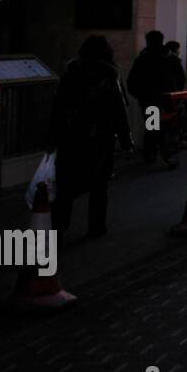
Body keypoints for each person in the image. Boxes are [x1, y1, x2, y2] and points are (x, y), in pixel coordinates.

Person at [47, 35, 134, 237]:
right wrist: (126, 140)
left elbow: (59, 108)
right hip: (100, 137)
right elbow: (119, 110)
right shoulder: (110, 75)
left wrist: (52, 138)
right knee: (99, 186)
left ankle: (59, 226)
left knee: (66, 185)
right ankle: (96, 226)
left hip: (72, 136)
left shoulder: (71, 73)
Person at [126, 30, 179, 169]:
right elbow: (180, 77)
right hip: (168, 99)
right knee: (167, 128)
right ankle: (168, 155)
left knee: (152, 127)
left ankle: (151, 154)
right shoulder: (169, 57)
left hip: (149, 99)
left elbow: (132, 80)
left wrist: (139, 95)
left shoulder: (143, 58)